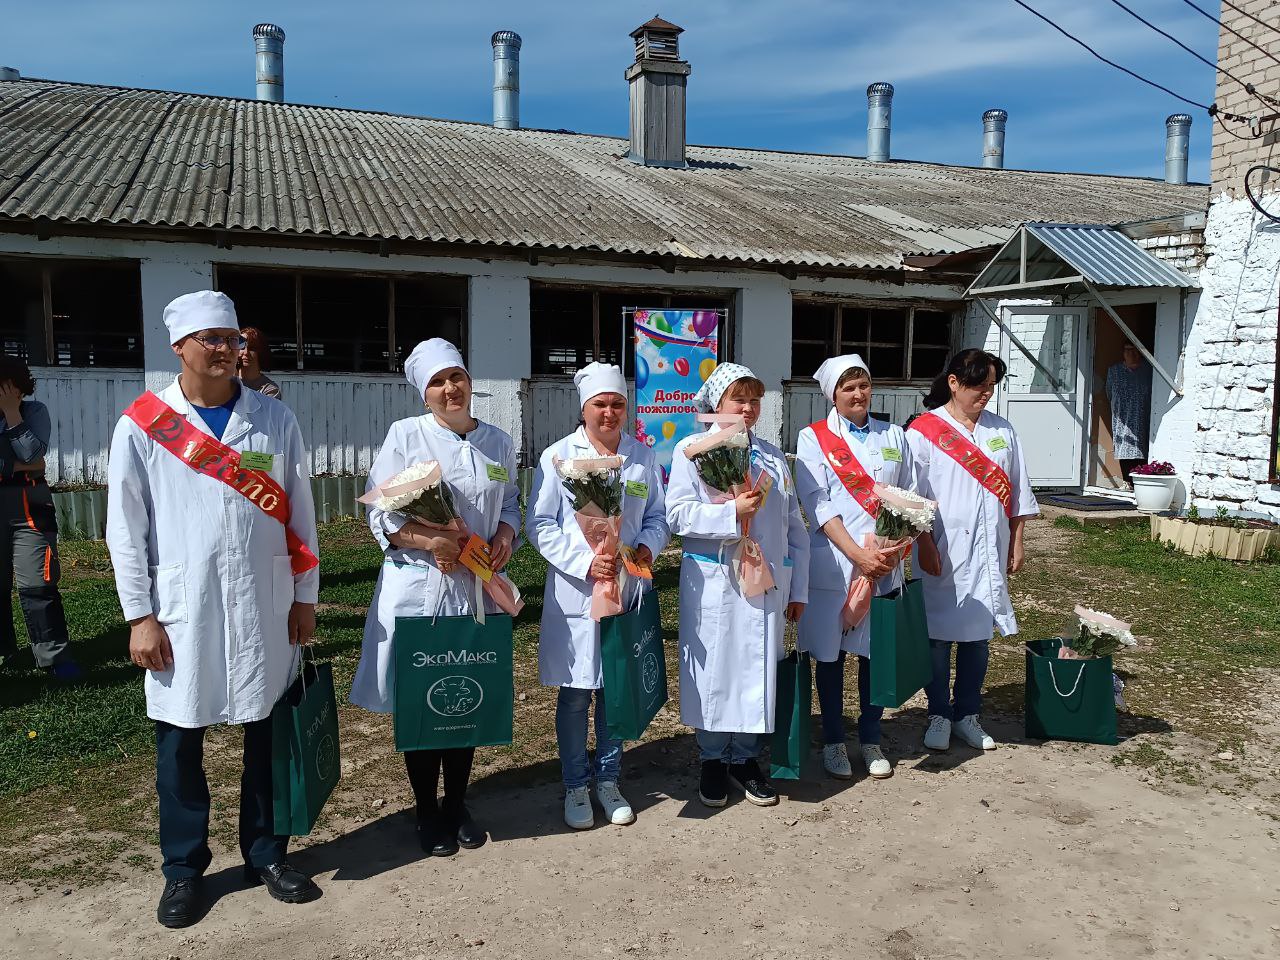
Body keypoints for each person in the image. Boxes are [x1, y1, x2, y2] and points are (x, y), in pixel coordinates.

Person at [106, 291, 321, 928]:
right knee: (178, 743)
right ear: (180, 347)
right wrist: (139, 616)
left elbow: (301, 512)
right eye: (214, 340)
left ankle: (265, 854)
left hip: (265, 597)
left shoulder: (274, 419)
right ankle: (182, 870)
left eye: (234, 340)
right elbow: (126, 529)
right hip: (181, 608)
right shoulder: (144, 424)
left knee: (266, 733)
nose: (229, 350)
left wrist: (306, 597)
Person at [350, 338, 520, 857]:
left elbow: (510, 501)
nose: (451, 389)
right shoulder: (405, 436)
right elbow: (382, 514)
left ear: (469, 382)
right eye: (438, 383)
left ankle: (457, 804)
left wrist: (505, 537)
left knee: (466, 694)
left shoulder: (498, 441)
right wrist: (431, 541)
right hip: (421, 588)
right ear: (424, 394)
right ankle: (426, 809)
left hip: (476, 585)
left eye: (457, 377)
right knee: (425, 699)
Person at [527, 362, 669, 831]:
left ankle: (608, 780)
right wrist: (584, 561)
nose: (609, 413)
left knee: (614, 689)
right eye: (600, 405)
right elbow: (540, 524)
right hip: (578, 591)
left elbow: (657, 516)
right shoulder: (557, 457)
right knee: (575, 695)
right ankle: (574, 784)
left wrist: (648, 545)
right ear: (584, 409)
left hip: (625, 584)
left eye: (617, 404)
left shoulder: (642, 458)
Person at [666, 363, 809, 809]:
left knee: (757, 668)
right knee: (714, 672)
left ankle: (745, 759)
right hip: (713, 580)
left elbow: (793, 527)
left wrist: (798, 588)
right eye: (738, 399)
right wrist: (731, 514)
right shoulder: (692, 450)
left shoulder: (771, 457)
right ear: (716, 405)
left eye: (754, 400)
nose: (748, 408)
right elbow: (677, 515)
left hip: (766, 581)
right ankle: (712, 758)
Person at [907, 349, 1038, 754]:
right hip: (943, 547)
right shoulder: (923, 431)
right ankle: (938, 713)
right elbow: (911, 498)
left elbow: (1017, 490)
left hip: (989, 546)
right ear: (953, 382)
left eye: (992, 387)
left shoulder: (1003, 430)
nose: (986, 394)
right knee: (937, 637)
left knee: (978, 635)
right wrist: (925, 544)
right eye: (979, 386)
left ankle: (967, 714)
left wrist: (1016, 541)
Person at [794, 355, 911, 781]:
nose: (858, 394)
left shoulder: (894, 434)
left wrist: (894, 549)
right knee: (830, 654)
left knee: (874, 656)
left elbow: (909, 496)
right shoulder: (813, 438)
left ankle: (871, 735)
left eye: (863, 384)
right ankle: (833, 740)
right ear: (833, 395)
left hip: (885, 562)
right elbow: (817, 503)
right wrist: (857, 555)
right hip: (834, 563)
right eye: (848, 388)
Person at [0, 355, 78, 679]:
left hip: (30, 507)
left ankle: (54, 658)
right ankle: (5, 655)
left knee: (38, 581)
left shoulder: (35, 412)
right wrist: (14, 467)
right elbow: (28, 462)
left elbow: (34, 455)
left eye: (8, 386)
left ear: (20, 387)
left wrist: (11, 414)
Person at [1105, 343, 1152, 484]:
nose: (1132, 354)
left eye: (1136, 350)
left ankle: (1140, 482)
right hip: (1122, 417)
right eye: (1128, 350)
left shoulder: (1148, 371)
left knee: (1142, 449)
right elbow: (1109, 392)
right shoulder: (1114, 371)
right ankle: (1127, 481)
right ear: (1123, 353)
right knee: (1125, 448)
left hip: (1143, 417)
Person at [238, 327, 282, 399]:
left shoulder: (270, 390)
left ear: (261, 351)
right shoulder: (225, 382)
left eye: (252, 348)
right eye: (242, 347)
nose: (246, 353)